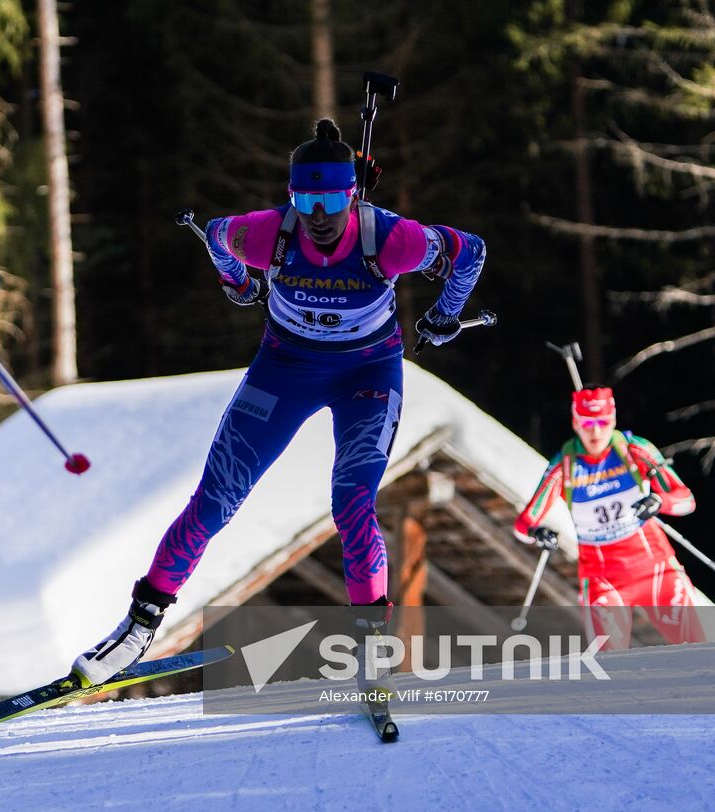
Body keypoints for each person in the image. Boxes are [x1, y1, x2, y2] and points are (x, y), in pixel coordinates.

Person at [71, 119, 486, 687]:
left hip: (366, 374)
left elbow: (471, 252)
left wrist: (444, 314)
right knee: (214, 501)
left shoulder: (391, 238)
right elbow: (218, 235)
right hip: (285, 370)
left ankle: (372, 646)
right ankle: (139, 626)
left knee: (352, 503)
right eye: (304, 198)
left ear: (352, 195)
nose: (317, 215)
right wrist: (236, 281)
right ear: (290, 196)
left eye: (331, 199)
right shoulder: (268, 234)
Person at [513, 386, 706, 649]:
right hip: (604, 581)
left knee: (698, 647)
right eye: (588, 423)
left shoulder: (634, 450)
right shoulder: (565, 466)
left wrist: (660, 501)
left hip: (656, 570)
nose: (596, 431)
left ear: (613, 420)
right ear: (575, 423)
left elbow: (686, 500)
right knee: (608, 664)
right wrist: (538, 533)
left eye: (602, 422)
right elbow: (524, 523)